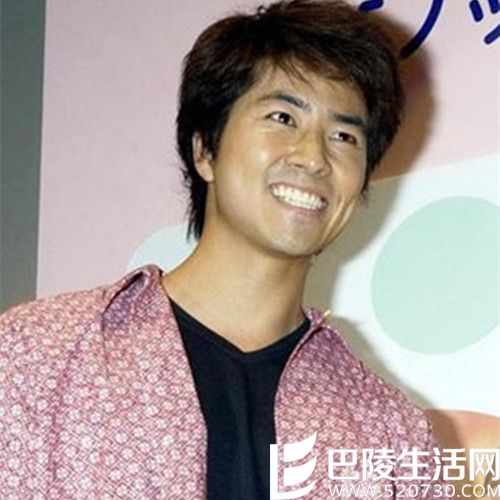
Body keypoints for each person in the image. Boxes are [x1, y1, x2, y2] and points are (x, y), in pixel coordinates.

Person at [0, 1, 449, 498]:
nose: (313, 157)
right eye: (283, 117)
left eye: (344, 135)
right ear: (205, 150)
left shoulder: (392, 433)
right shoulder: (38, 355)